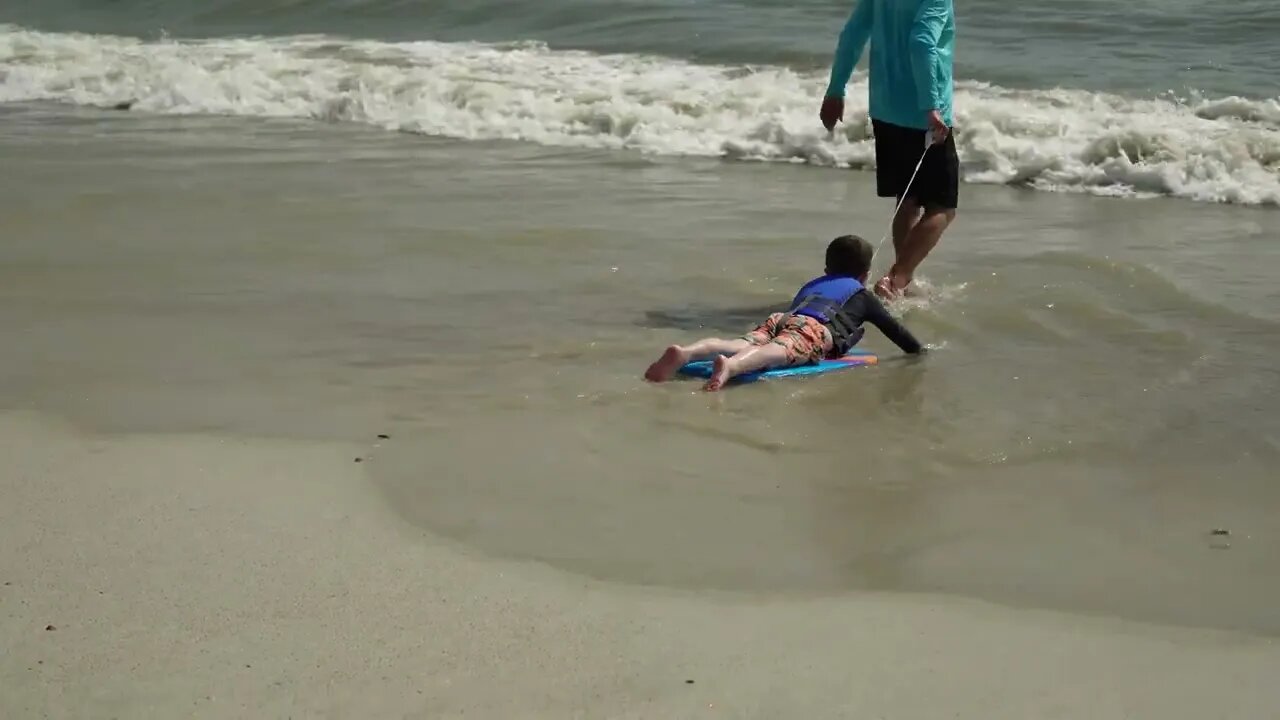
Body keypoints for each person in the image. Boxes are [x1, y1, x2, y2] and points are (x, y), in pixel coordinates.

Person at [644, 235, 925, 391]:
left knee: (743, 343)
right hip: (812, 327)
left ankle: (688, 352)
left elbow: (797, 315)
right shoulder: (863, 295)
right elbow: (898, 335)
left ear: (827, 270)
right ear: (864, 275)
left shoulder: (814, 283)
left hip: (782, 318)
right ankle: (732, 366)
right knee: (781, 349)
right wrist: (921, 353)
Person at [819, 0, 958, 300]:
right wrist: (930, 106)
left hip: (884, 108)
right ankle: (896, 279)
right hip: (923, 113)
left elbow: (852, 33)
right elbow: (922, 42)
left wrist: (835, 89)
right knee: (943, 207)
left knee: (907, 199)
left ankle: (902, 281)